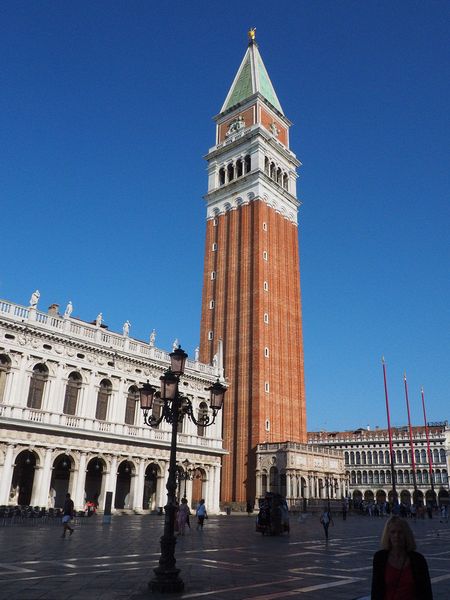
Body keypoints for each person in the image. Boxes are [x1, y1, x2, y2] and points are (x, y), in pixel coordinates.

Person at [371, 515, 433, 599]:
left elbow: (426, 592)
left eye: (400, 532)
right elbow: (376, 590)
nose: (396, 536)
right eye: (393, 532)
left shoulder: (418, 560)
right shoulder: (380, 558)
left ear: (406, 534)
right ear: (388, 535)